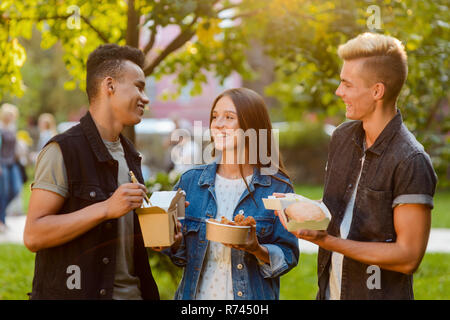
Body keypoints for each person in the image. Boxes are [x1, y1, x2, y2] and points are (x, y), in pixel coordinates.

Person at [275, 33, 437, 300]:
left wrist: (326, 241)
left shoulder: (411, 161)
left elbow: (408, 257)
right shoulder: (342, 137)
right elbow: (344, 210)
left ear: (377, 91)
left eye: (347, 84)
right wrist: (303, 205)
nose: (339, 92)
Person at [24, 44, 159, 300]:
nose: (146, 98)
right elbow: (33, 235)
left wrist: (161, 233)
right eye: (139, 86)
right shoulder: (62, 150)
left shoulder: (131, 155)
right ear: (110, 86)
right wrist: (106, 208)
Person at [160, 88, 299, 300]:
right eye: (215, 117)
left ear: (251, 125)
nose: (218, 124)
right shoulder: (190, 182)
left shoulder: (278, 188)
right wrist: (172, 241)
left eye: (229, 117)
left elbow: (288, 255)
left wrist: (256, 249)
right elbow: (180, 258)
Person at [0, 103, 23, 232]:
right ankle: (1, 220)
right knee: (3, 192)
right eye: (9, 115)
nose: (11, 117)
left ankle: (1, 215)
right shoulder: (0, 127)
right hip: (2, 163)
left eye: (12, 115)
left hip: (12, 162)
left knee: (15, 189)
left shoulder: (12, 127)